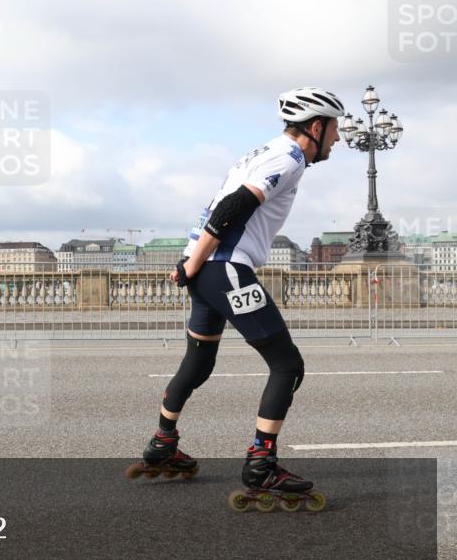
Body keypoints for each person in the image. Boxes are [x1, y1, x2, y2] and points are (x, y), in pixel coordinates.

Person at [140, 87, 344, 494]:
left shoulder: (260, 152)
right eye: (335, 129)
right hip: (225, 269)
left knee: (197, 364)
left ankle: (163, 443)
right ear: (316, 126)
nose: (338, 138)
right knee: (288, 365)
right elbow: (234, 206)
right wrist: (196, 262)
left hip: (208, 271)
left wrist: (190, 262)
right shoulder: (289, 159)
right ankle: (262, 464)